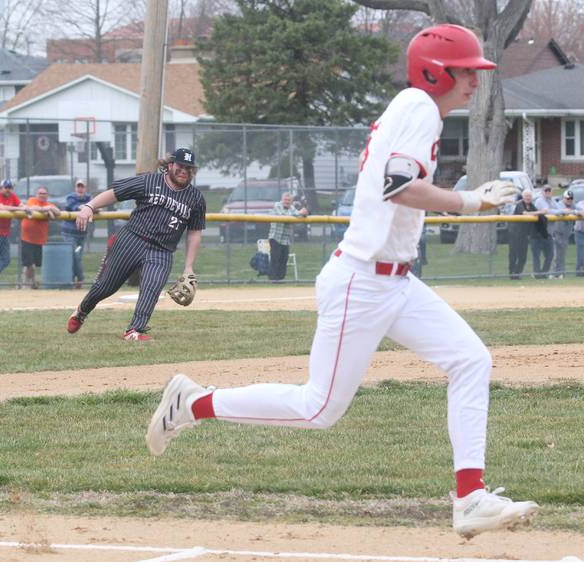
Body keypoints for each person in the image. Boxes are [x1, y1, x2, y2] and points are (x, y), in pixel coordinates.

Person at [145, 25, 538, 539]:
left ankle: (471, 499)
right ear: (436, 71)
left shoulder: (414, 108)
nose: (474, 81)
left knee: (471, 359)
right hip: (362, 282)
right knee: (318, 409)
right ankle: (194, 403)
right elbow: (400, 187)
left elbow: (391, 182)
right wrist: (470, 200)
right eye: (466, 71)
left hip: (393, 283)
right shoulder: (419, 107)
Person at [66, 147, 205, 341]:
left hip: (162, 250)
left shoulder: (196, 198)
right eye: (180, 166)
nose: (184, 171)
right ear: (170, 165)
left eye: (189, 168)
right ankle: (82, 310)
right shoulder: (150, 180)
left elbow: (194, 233)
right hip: (132, 239)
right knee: (106, 286)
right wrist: (90, 206)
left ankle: (134, 330)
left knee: (152, 288)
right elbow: (115, 193)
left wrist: (189, 267)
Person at [20, 186, 61, 289]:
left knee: (36, 265)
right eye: (40, 193)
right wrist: (45, 210)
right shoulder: (32, 200)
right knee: (29, 264)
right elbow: (31, 208)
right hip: (27, 238)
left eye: (44, 193)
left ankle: (31, 282)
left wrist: (49, 209)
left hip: (39, 240)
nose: (42, 195)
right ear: (36, 194)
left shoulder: (49, 204)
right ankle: (27, 284)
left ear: (47, 195)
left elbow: (58, 212)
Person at [267, 191, 308, 281]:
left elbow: (299, 215)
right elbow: (284, 216)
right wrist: (300, 213)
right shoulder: (277, 206)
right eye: (285, 199)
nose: (287, 201)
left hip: (286, 239)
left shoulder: (292, 208)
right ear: (282, 200)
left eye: (289, 200)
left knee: (284, 259)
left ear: (291, 201)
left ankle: (281, 279)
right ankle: (273, 279)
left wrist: (304, 213)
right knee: (275, 258)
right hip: (275, 237)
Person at [62, 179, 92, 289]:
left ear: (85, 188)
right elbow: (78, 207)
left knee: (77, 257)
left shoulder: (89, 198)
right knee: (74, 256)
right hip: (69, 234)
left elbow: (95, 207)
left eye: (82, 187)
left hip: (81, 234)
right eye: (78, 186)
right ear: (75, 188)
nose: (80, 189)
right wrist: (90, 207)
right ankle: (79, 278)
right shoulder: (71, 197)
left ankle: (74, 281)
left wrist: (91, 207)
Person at [507, 189, 541, 280]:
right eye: (526, 196)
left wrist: (538, 213)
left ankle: (517, 273)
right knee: (513, 255)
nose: (528, 198)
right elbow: (525, 214)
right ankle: (511, 274)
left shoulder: (531, 205)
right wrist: (539, 212)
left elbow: (538, 215)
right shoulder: (520, 204)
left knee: (523, 257)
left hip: (524, 235)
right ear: (523, 197)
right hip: (514, 234)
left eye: (529, 196)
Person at [549, 189, 577, 278]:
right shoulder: (559, 204)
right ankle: (554, 273)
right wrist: (573, 212)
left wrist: (574, 211)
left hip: (565, 234)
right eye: (567, 198)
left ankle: (561, 273)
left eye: (571, 199)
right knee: (557, 254)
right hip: (557, 232)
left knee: (562, 254)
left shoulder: (572, 205)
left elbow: (578, 210)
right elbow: (561, 211)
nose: (569, 200)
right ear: (564, 198)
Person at [530, 185, 554, 278]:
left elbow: (557, 209)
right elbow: (549, 211)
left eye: (549, 190)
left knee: (550, 255)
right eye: (546, 191)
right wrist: (560, 211)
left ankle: (543, 273)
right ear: (542, 192)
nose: (548, 192)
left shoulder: (551, 201)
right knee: (537, 256)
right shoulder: (540, 201)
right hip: (537, 233)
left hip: (547, 233)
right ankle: (537, 274)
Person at [576, 197, 584, 277]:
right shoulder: (580, 203)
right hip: (580, 232)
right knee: (581, 253)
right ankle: (579, 272)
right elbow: (580, 211)